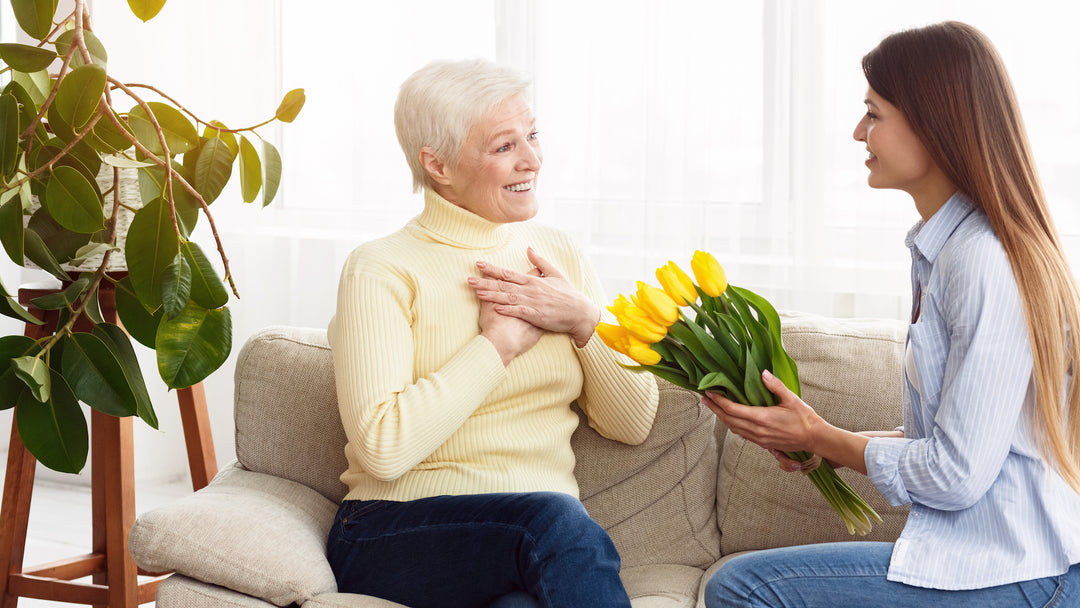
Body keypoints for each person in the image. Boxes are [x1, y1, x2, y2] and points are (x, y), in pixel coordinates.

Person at [702, 21, 1080, 607]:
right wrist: (821, 442)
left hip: (1023, 573)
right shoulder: (944, 249)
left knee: (744, 590)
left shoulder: (983, 261)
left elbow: (956, 475)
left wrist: (825, 436)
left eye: (874, 113)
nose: (859, 133)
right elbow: (956, 439)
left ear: (935, 124)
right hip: (993, 560)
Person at [325, 58, 659, 608]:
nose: (532, 159)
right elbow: (382, 449)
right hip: (392, 533)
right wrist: (496, 346)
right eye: (504, 147)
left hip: (526, 546)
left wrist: (584, 323)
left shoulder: (558, 254)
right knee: (551, 520)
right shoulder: (381, 268)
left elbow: (633, 423)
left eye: (531, 136)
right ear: (439, 165)